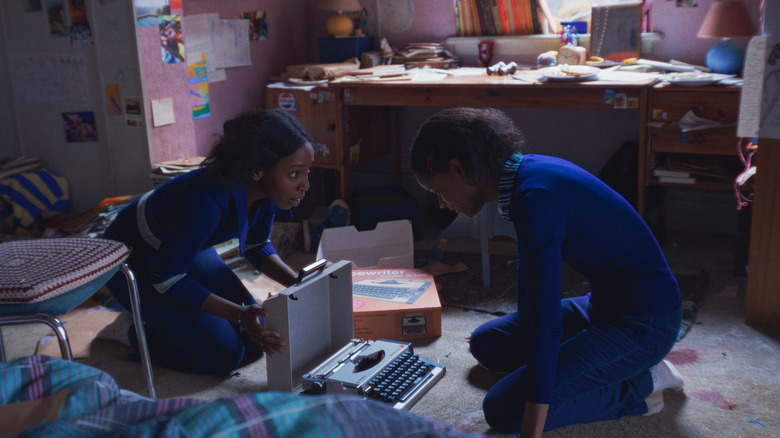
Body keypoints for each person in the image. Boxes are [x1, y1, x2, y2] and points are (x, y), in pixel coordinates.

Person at [409, 107, 684, 437]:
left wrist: (531, 428)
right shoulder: (523, 175)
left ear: (458, 169)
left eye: (439, 191)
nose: (441, 203)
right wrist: (524, 330)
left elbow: (545, 324)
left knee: (504, 408)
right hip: (603, 305)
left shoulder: (537, 198)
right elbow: (531, 277)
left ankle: (643, 384)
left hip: (645, 324)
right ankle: (603, 365)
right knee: (487, 343)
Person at [100, 109, 314, 375]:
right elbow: (167, 279)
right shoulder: (205, 201)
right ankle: (134, 330)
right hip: (133, 260)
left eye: (306, 173)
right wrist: (240, 313)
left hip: (185, 251)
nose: (305, 185)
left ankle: (164, 318)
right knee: (222, 356)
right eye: (295, 174)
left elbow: (256, 246)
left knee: (252, 344)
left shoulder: (263, 192)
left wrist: (300, 284)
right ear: (258, 170)